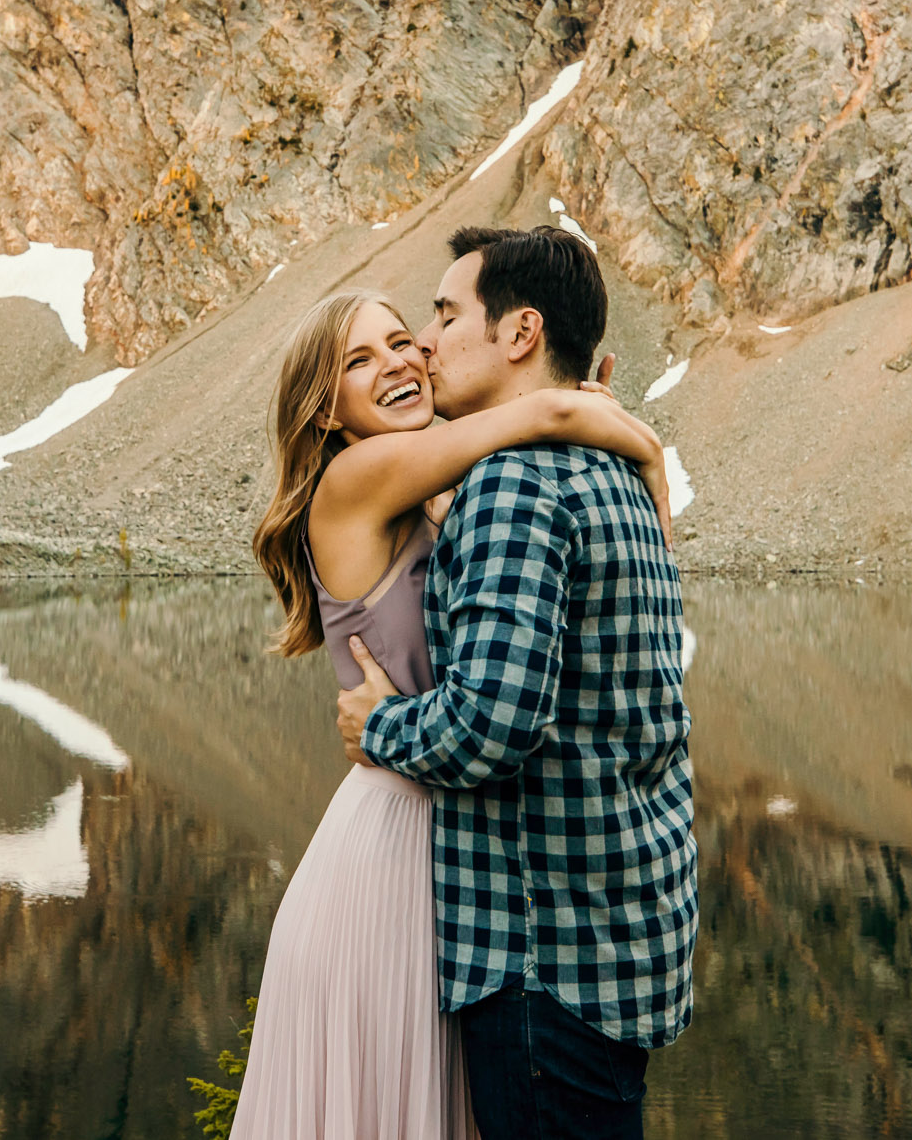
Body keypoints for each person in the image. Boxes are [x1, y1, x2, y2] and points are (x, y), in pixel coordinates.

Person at [239, 272, 671, 1139]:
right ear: (326, 409)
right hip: (392, 847)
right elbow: (544, 416)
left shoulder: (434, 491)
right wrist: (649, 457)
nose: (398, 362)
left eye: (402, 339)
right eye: (359, 361)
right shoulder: (356, 477)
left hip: (447, 840)